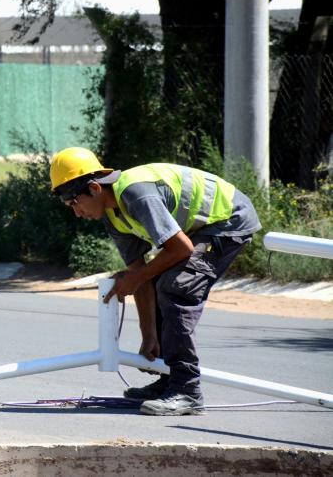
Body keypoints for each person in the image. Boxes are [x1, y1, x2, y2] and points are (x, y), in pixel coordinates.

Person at [50, 147, 261, 416]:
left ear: (93, 188)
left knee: (176, 287)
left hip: (229, 220)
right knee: (160, 277)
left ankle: (187, 391)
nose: (76, 213)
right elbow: (140, 273)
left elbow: (180, 250)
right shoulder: (113, 217)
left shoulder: (136, 195)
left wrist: (135, 278)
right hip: (197, 231)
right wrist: (149, 335)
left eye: (74, 203)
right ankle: (168, 381)